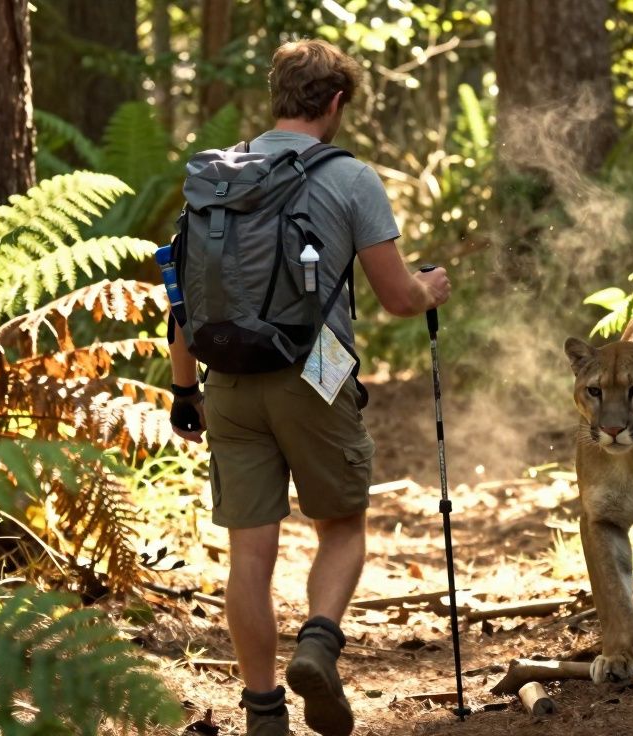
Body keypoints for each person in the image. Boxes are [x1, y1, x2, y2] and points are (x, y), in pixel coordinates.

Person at [165, 39, 451, 736]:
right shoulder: (350, 178)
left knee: (250, 555)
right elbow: (395, 296)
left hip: (226, 374)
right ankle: (320, 642)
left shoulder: (219, 177)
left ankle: (263, 711)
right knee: (343, 525)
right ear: (335, 102)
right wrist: (430, 287)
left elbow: (189, 297)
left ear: (277, 98)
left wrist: (183, 391)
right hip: (317, 364)